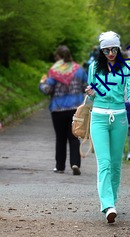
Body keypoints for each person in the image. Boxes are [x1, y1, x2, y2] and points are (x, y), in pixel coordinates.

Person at [85, 31, 130, 223]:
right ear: (101, 50)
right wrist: (90, 92)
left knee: (116, 164)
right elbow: (91, 95)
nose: (110, 53)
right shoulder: (94, 67)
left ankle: (112, 201)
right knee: (104, 163)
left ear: (118, 48)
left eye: (113, 49)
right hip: (98, 117)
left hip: (120, 118)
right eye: (106, 50)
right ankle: (107, 205)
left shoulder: (127, 67)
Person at [39, 45, 88, 175]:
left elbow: (47, 90)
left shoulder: (54, 71)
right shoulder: (79, 70)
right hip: (75, 109)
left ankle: (60, 166)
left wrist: (42, 83)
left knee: (60, 138)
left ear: (58, 57)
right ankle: (75, 163)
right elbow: (86, 87)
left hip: (58, 109)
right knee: (74, 137)